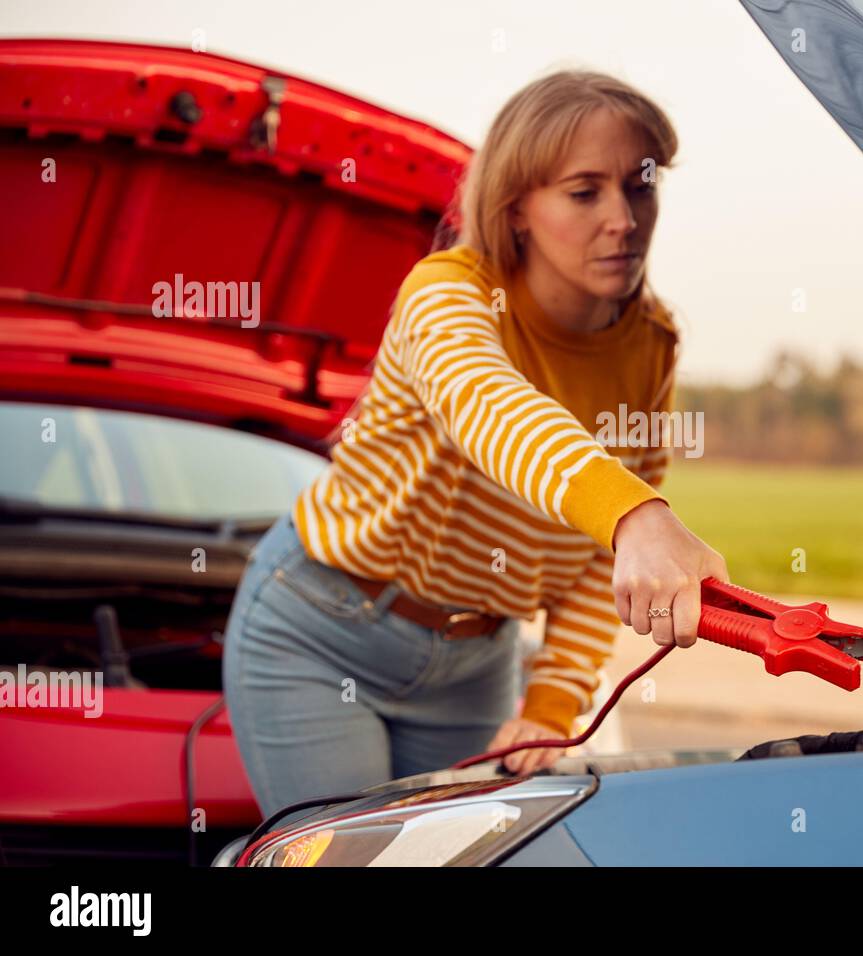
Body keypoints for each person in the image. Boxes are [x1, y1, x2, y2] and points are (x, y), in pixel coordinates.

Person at [221, 68, 728, 815]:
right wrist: (637, 514)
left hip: (478, 665)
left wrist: (553, 704)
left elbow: (597, 564)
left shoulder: (652, 344)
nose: (623, 218)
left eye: (641, 185)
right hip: (323, 633)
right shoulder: (446, 291)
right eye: (585, 192)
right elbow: (486, 406)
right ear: (517, 208)